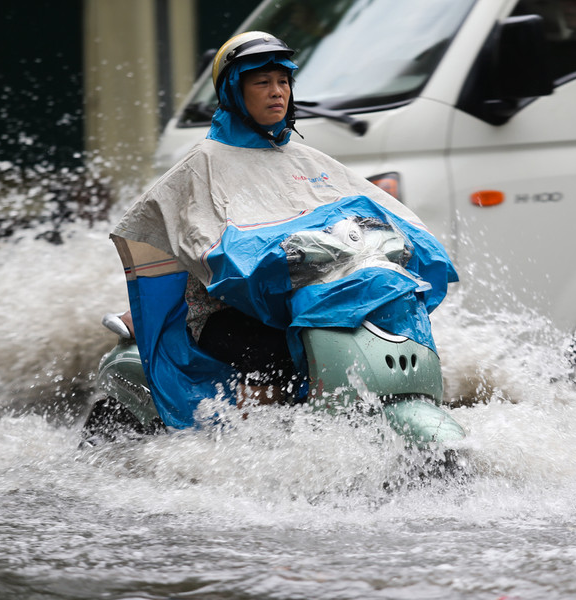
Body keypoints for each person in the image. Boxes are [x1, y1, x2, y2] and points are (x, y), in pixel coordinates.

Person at [110, 32, 456, 427]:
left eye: (283, 81)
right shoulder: (202, 165)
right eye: (262, 82)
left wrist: (404, 240)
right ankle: (256, 446)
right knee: (273, 350)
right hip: (225, 310)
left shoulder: (307, 159)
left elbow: (372, 213)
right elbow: (210, 250)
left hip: (303, 298)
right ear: (234, 91)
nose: (277, 92)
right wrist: (268, 259)